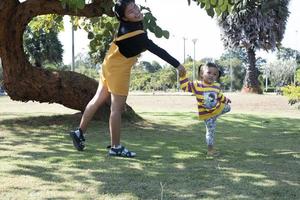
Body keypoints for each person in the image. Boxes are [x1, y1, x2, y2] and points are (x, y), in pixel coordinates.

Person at [70, 0, 186, 157]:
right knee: (117, 109)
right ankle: (116, 147)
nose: (136, 12)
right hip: (118, 70)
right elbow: (157, 50)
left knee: (98, 99)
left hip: (108, 64)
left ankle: (79, 132)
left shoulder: (128, 26)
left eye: (136, 8)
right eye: (131, 11)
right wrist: (178, 65)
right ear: (124, 18)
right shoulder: (137, 34)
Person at [179, 62, 231, 157]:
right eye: (209, 72)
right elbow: (184, 87)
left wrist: (226, 99)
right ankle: (210, 150)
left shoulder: (216, 87)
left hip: (214, 111)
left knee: (228, 107)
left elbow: (220, 96)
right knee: (210, 132)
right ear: (202, 74)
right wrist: (183, 76)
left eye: (215, 74)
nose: (212, 75)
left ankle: (215, 115)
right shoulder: (197, 85)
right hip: (206, 115)